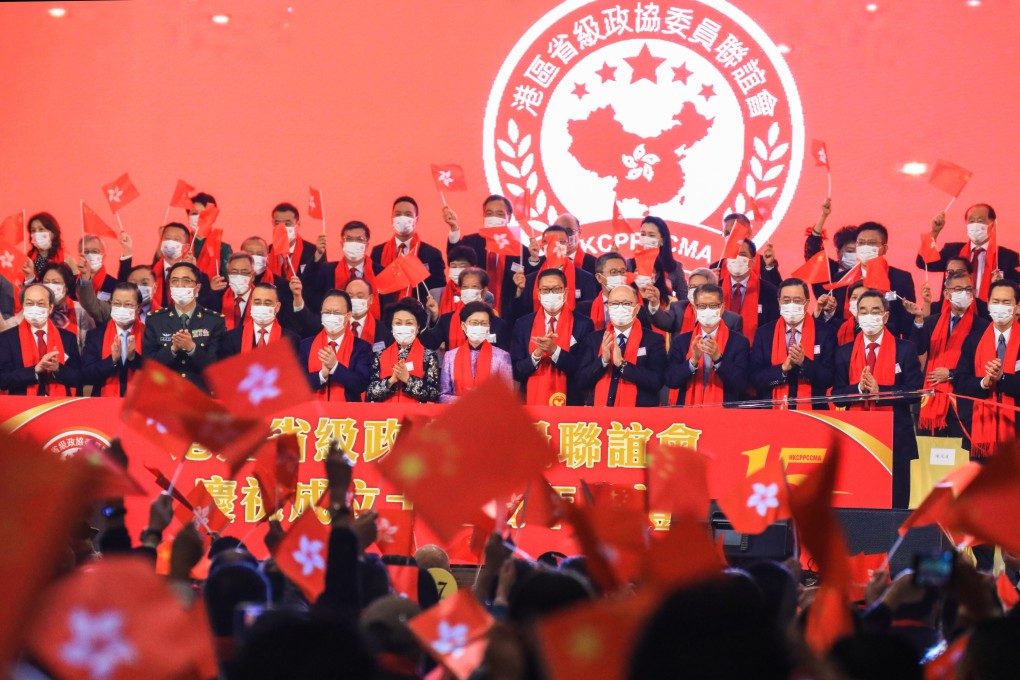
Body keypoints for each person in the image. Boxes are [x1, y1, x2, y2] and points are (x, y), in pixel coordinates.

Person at [833, 290, 922, 508]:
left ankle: (892, 543)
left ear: (885, 316)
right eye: (863, 311)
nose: (869, 316)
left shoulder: (905, 349)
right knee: (859, 502)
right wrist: (860, 389)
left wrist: (880, 391)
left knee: (895, 504)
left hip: (896, 439)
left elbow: (914, 391)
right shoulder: (844, 352)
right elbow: (837, 396)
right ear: (856, 316)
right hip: (858, 437)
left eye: (875, 311)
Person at [914, 271, 988, 447]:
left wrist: (951, 374)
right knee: (928, 461)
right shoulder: (932, 322)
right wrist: (919, 320)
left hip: (962, 406)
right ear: (947, 293)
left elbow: (980, 366)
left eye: (968, 289)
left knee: (960, 462)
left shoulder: (982, 326)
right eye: (958, 289)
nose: (964, 293)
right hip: (930, 401)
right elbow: (918, 348)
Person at [955, 280, 1020, 459]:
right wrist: (984, 382)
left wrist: (1003, 378)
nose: (1000, 307)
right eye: (995, 301)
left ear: (1017, 307)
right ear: (988, 304)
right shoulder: (973, 340)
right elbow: (960, 383)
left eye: (1006, 303)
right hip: (981, 433)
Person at [511, 269, 595, 406]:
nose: (551, 294)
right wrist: (536, 356)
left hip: (570, 404)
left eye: (556, 289)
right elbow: (515, 371)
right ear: (538, 294)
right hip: (530, 404)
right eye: (545, 290)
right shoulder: (523, 324)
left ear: (565, 292)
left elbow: (584, 370)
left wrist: (555, 351)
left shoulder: (583, 324)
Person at [750, 278, 837, 410]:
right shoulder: (764, 333)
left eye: (797, 301)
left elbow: (829, 378)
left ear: (807, 303)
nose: (791, 304)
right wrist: (782, 369)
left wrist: (804, 363)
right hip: (772, 414)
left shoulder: (826, 333)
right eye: (786, 300)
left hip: (814, 414)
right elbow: (755, 379)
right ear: (779, 303)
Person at [577, 284, 666, 407]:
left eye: (626, 304)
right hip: (600, 415)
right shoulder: (594, 339)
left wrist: (622, 364)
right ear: (608, 307)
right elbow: (581, 380)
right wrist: (603, 360)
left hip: (638, 418)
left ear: (637, 308)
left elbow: (657, 381)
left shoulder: (653, 340)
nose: (619, 308)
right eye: (614, 304)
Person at [142, 262, 225, 391]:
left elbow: (217, 369)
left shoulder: (214, 321)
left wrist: (192, 348)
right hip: (165, 394)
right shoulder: (155, 320)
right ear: (169, 286)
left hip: (200, 395)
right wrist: (173, 349)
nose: (179, 285)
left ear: (197, 288)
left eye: (186, 280)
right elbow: (148, 366)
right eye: (174, 281)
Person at [665, 283, 750, 406]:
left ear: (722, 308)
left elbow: (741, 384)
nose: (708, 310)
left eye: (713, 306)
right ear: (695, 308)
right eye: (702, 306)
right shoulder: (681, 341)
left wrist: (718, 359)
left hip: (724, 414)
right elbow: (670, 380)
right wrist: (692, 361)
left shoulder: (739, 342)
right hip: (688, 413)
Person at [920, 203, 1020, 300]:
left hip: (989, 314)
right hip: (954, 312)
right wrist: (934, 232)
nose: (975, 225)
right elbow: (924, 262)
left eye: (980, 221)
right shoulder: (952, 251)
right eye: (971, 221)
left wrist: (1002, 284)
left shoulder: (1008, 257)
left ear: (992, 224)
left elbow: (1015, 292)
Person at [444, 195, 523, 313]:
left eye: (499, 214)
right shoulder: (471, 242)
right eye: (489, 213)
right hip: (474, 315)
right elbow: (455, 256)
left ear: (509, 217)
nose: (494, 218)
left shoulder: (520, 251)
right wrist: (454, 228)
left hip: (507, 316)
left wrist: (534, 259)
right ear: (484, 216)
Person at [0, 282, 82, 395]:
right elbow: (3, 379)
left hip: (58, 405)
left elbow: (78, 378)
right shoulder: (7, 339)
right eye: (29, 303)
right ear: (23, 306)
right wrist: (35, 370)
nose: (35, 308)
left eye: (40, 304)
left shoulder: (68, 338)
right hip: (24, 408)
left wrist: (58, 368)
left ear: (50, 308)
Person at [508, 225, 599, 324]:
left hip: (573, 332)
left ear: (568, 245)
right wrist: (519, 292)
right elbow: (519, 314)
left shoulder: (585, 278)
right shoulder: (530, 279)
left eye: (561, 242)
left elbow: (590, 312)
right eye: (550, 242)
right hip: (538, 331)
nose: (556, 246)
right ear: (542, 246)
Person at [119, 222, 214, 311]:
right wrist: (127, 250)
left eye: (176, 239)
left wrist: (192, 274)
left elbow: (204, 308)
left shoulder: (201, 278)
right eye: (167, 238)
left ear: (186, 247)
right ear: (161, 242)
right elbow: (123, 286)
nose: (170, 242)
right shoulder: (149, 272)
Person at [300, 290, 373, 402]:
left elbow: (361, 384)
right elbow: (297, 383)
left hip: (347, 415)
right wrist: (321, 375)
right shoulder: (306, 345)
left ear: (348, 315)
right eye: (327, 312)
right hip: (312, 414)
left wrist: (335, 367)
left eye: (337, 313)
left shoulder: (362, 347)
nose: (331, 317)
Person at [366, 298, 440, 403]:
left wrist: (408, 379)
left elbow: (434, 394)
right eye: (398, 323)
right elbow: (370, 394)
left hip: (415, 416)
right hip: (386, 416)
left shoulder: (428, 356)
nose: (403, 327)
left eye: (409, 323)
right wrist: (390, 381)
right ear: (392, 326)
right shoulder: (380, 355)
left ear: (418, 327)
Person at [371, 196, 446, 299]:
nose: (402, 218)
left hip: (419, 311)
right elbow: (372, 287)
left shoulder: (432, 254)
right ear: (392, 218)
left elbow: (439, 291)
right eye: (398, 214)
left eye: (408, 214)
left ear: (416, 219)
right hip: (386, 312)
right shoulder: (378, 252)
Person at [421, 268, 511, 352]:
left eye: (474, 286)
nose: (469, 290)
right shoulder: (447, 320)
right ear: (460, 290)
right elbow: (430, 344)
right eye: (465, 287)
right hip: (455, 367)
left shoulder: (497, 323)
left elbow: (504, 357)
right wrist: (430, 315)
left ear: (484, 291)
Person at [439, 301, 513, 403]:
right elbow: (443, 395)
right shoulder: (450, 356)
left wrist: (481, 402)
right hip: (458, 414)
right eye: (474, 323)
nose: (479, 326)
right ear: (463, 326)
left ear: (489, 327)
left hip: (489, 415)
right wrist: (467, 401)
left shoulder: (502, 356)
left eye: (483, 323)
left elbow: (507, 396)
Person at [82, 282, 145, 397]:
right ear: (110, 304)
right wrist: (112, 360)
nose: (122, 308)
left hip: (140, 404)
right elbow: (86, 374)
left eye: (128, 305)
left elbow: (156, 373)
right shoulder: (95, 335)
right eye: (117, 303)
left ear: (139, 308)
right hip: (103, 405)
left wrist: (133, 358)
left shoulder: (148, 334)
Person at [311, 220, 381, 316]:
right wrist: (318, 254)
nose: (354, 243)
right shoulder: (326, 271)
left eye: (359, 239)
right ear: (342, 243)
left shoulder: (379, 272)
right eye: (349, 239)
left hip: (371, 327)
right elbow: (311, 297)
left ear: (367, 245)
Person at [648, 268, 743, 336]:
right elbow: (662, 322)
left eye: (699, 287)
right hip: (684, 362)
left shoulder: (732, 320)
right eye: (692, 287)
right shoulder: (678, 308)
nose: (695, 291)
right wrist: (654, 304)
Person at [721, 239, 779, 343]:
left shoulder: (768, 291)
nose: (737, 258)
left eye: (742, 255)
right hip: (719, 350)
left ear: (753, 261)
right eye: (733, 254)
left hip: (755, 352)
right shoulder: (716, 288)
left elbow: (773, 327)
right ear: (726, 260)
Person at [222, 283, 302, 357]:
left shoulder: (291, 340)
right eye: (257, 302)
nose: (262, 306)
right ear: (251, 304)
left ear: (277, 307)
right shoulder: (231, 338)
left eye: (267, 303)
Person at [580, 252, 652, 332]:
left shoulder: (637, 309)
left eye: (622, 271)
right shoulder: (584, 309)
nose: (619, 276)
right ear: (599, 277)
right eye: (613, 272)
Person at [716, 213, 782, 288]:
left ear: (749, 233)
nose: (732, 237)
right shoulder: (716, 268)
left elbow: (778, 293)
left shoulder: (765, 263)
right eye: (727, 233)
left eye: (735, 232)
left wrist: (769, 267)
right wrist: (710, 282)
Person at [631, 216, 687, 302]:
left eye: (651, 235)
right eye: (643, 234)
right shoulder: (630, 264)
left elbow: (684, 300)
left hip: (663, 313)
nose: (646, 238)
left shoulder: (674, 267)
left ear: (662, 240)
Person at [41, 262, 94, 348]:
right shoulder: (34, 308)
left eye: (56, 282)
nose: (50, 286)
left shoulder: (80, 310)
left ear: (66, 286)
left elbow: (88, 347)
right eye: (46, 282)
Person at [266, 202, 320, 285]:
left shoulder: (313, 251)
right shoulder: (266, 251)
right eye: (277, 224)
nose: (282, 228)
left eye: (287, 223)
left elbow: (318, 282)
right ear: (272, 224)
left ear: (298, 224)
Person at [189, 192, 232, 275]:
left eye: (204, 214)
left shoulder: (223, 249)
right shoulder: (181, 245)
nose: (199, 218)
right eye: (194, 213)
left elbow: (227, 280)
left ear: (213, 217)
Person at [345, 278, 390, 351]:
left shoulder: (383, 330)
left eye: (360, 296)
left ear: (371, 299)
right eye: (350, 296)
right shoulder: (335, 326)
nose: (355, 300)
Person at [24, 212, 65, 281]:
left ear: (53, 233)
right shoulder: (27, 261)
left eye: (41, 229)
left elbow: (73, 289)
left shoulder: (66, 261)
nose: (36, 234)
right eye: (33, 230)